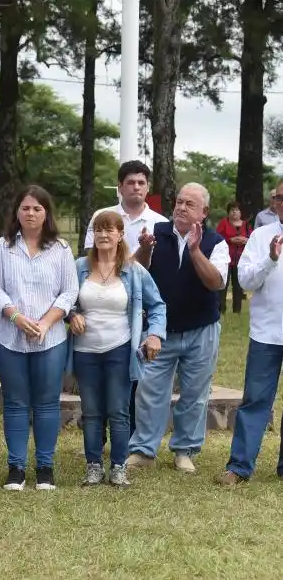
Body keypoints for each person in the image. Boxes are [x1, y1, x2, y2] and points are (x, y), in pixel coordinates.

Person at [128, 183, 228, 474]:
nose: (181, 207)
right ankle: (144, 449)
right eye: (179, 202)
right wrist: (144, 249)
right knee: (149, 390)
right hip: (161, 331)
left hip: (202, 329)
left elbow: (216, 282)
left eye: (189, 204)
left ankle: (185, 450)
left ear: (204, 212)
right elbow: (135, 271)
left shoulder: (216, 242)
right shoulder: (156, 233)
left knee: (195, 393)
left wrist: (195, 250)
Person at [0, 185, 79, 491]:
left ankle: (45, 467)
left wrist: (46, 321)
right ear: (17, 211)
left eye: (37, 209)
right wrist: (15, 316)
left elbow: (69, 291)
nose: (30, 213)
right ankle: (16, 468)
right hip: (9, 336)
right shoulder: (2, 246)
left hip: (49, 337)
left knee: (46, 403)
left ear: (46, 213)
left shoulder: (62, 249)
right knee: (15, 402)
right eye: (25, 208)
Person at [68, 211, 166, 488]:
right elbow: (63, 300)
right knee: (91, 411)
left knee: (119, 410)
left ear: (121, 235)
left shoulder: (134, 271)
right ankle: (94, 466)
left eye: (109, 229)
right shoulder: (79, 267)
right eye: (98, 229)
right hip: (85, 351)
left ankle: (119, 466)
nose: (103, 235)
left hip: (120, 348)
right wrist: (71, 314)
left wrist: (155, 335)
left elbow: (157, 305)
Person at [218, 180, 283, 485]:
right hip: (266, 334)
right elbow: (244, 281)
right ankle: (240, 466)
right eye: (278, 197)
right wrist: (270, 260)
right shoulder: (260, 236)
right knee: (256, 400)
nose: (280, 202)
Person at [84, 160, 168, 254]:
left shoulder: (162, 223)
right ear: (120, 187)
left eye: (141, 183)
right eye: (131, 182)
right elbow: (91, 253)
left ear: (148, 187)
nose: (136, 187)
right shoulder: (101, 216)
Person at [216, 201, 250, 314]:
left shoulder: (246, 225)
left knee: (238, 285)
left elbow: (252, 238)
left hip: (241, 259)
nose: (235, 212)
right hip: (226, 259)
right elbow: (218, 238)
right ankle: (221, 309)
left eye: (237, 210)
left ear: (240, 212)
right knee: (223, 284)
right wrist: (230, 240)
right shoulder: (223, 223)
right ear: (228, 212)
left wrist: (245, 240)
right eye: (232, 210)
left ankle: (237, 310)